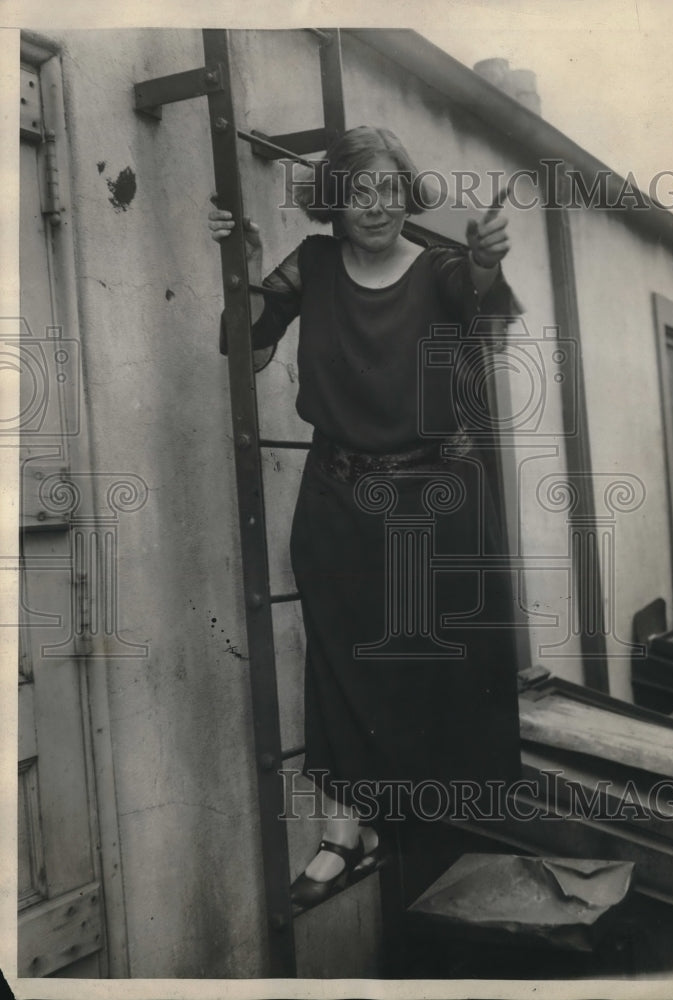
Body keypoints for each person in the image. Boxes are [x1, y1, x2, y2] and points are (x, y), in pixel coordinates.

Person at [209, 125, 522, 909]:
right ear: (334, 203)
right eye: (356, 192)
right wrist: (243, 271)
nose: (375, 206)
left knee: (424, 671)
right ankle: (343, 833)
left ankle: (413, 832)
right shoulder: (310, 267)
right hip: (338, 498)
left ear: (405, 195)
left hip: (430, 506)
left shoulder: (445, 270)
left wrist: (486, 256)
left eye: (388, 189)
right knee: (340, 663)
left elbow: (481, 295)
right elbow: (246, 351)